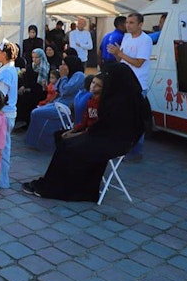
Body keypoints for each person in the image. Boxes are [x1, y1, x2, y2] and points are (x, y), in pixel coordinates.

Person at [22, 63, 147, 200]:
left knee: (68, 146)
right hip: (104, 136)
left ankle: (60, 187)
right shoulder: (117, 97)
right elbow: (100, 125)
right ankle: (56, 182)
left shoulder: (125, 101)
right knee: (63, 140)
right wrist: (77, 132)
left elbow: (108, 127)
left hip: (115, 142)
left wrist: (78, 134)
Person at [106, 12, 152, 160]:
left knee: (136, 119)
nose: (128, 25)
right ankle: (125, 148)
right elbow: (122, 61)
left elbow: (139, 62)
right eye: (127, 22)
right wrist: (115, 53)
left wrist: (120, 53)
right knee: (125, 118)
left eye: (131, 22)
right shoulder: (126, 38)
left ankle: (136, 151)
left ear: (140, 24)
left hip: (138, 84)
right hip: (124, 83)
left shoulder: (145, 40)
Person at [0, 42, 20, 189]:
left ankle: (1, 181)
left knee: (1, 149)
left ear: (4, 54)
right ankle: (1, 180)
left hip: (4, 114)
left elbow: (1, 96)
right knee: (4, 148)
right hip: (9, 113)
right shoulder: (9, 69)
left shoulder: (6, 72)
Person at [15, 47, 50, 129]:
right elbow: (27, 79)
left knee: (30, 98)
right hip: (29, 89)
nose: (34, 60)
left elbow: (42, 84)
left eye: (36, 57)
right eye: (33, 57)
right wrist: (24, 86)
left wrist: (29, 88)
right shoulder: (31, 66)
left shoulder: (44, 68)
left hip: (39, 91)